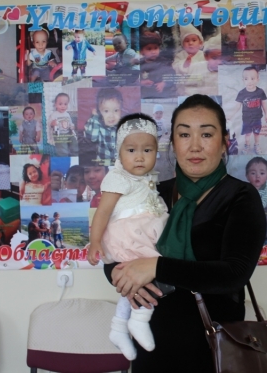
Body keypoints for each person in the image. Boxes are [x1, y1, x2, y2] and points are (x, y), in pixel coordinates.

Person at [103, 94, 266, 372]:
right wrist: (121, 274)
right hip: (152, 346)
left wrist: (155, 266)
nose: (195, 146)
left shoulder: (240, 196)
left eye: (206, 134)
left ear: (224, 142)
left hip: (214, 350)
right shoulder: (153, 194)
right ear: (173, 142)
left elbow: (235, 273)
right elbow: (116, 251)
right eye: (184, 134)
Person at [88, 113, 169, 360]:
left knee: (134, 282)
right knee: (151, 275)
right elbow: (103, 212)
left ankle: (119, 326)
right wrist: (95, 241)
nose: (140, 157)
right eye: (131, 150)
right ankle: (140, 319)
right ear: (119, 152)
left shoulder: (146, 178)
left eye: (147, 150)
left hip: (141, 233)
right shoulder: (118, 178)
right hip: (130, 236)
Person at [84, 87, 123, 165]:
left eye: (116, 110)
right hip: (103, 163)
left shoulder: (123, 126)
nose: (111, 116)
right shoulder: (97, 125)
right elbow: (92, 138)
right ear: (99, 112)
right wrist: (95, 117)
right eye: (106, 111)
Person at [235, 66, 267, 154]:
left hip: (257, 118)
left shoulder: (260, 92)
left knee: (257, 133)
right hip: (246, 119)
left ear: (258, 79)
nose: (249, 81)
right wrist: (230, 115)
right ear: (243, 80)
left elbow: (264, 104)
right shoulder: (241, 93)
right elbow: (238, 105)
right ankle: (247, 145)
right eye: (246, 79)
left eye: (252, 78)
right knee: (248, 134)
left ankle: (256, 145)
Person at [138, 31, 175, 99]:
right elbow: (133, 79)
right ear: (141, 51)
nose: (153, 52)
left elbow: (172, 75)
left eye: (155, 48)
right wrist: (142, 82)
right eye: (149, 49)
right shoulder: (139, 64)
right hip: (145, 97)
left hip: (163, 96)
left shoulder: (164, 62)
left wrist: (164, 83)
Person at [245, 156, 267, 243]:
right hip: (249, 210)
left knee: (266, 222)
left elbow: (266, 199)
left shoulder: (266, 190)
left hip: (263, 210)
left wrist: (258, 206)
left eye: (262, 173)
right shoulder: (246, 188)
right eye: (253, 173)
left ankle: (266, 235)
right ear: (247, 176)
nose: (257, 176)